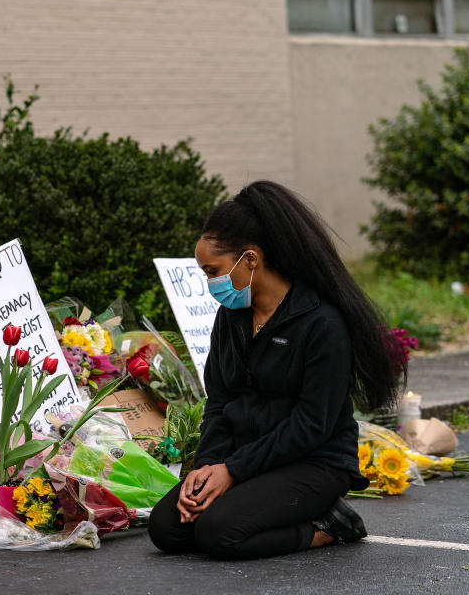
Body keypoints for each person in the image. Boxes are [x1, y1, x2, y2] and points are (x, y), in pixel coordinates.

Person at [148, 180, 404, 560]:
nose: (209, 283)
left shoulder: (321, 323)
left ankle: (329, 527)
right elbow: (219, 401)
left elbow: (311, 424)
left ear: (250, 259)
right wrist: (204, 469)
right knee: (167, 528)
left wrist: (232, 470)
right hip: (246, 458)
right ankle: (248, 504)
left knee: (219, 533)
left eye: (212, 271)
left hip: (314, 462)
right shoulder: (231, 317)